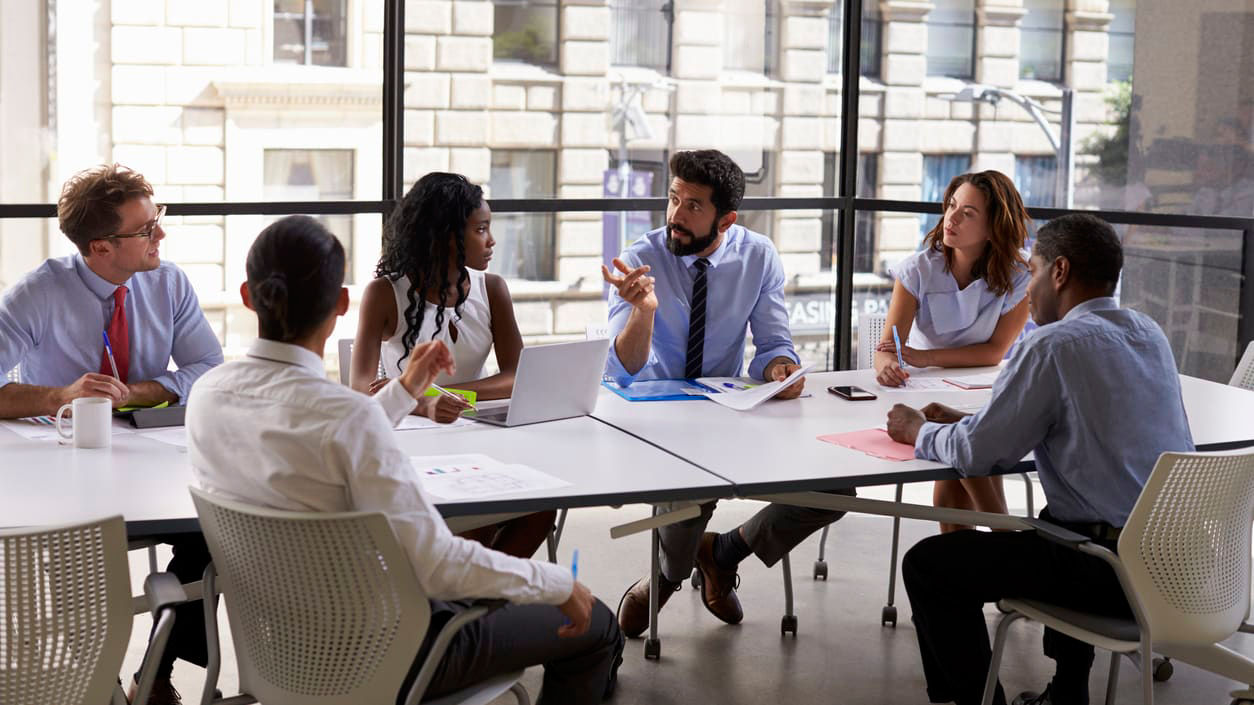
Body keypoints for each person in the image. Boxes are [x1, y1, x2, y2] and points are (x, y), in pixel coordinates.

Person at [187, 216, 624, 705]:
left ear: (248, 296)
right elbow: (437, 566)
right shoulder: (346, 418)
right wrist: (557, 582)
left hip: (278, 649)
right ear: (341, 304)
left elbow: (330, 429)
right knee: (598, 625)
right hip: (389, 653)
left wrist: (403, 392)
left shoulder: (208, 395)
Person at [885, 213, 1194, 705]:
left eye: (1033, 270)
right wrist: (974, 417)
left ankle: (977, 701)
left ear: (1060, 272)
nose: (1026, 288)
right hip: (1175, 561)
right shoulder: (1147, 332)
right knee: (1060, 522)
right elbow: (1084, 417)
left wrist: (919, 430)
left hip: (1108, 571)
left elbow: (975, 453)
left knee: (930, 565)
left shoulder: (1053, 343)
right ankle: (1067, 689)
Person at [602, 149, 851, 638]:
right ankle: (665, 581)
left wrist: (781, 368)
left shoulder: (757, 256)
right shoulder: (638, 259)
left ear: (727, 218)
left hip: (726, 407)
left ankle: (723, 551)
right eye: (673, 198)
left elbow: (774, 346)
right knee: (688, 492)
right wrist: (643, 311)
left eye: (693, 205)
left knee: (835, 491)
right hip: (655, 414)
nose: (676, 214)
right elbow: (623, 369)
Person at [0, 164, 224, 705]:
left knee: (212, 531)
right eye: (146, 229)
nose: (160, 236)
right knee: (78, 551)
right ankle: (98, 683)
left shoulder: (169, 282)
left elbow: (210, 371)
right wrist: (59, 396)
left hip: (152, 458)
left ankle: (156, 674)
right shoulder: (38, 292)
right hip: (66, 467)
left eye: (158, 220)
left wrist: (136, 391)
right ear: (100, 247)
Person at [351, 172, 555, 559]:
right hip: (412, 443)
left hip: (480, 438)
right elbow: (360, 391)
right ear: (446, 235)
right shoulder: (383, 294)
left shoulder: (492, 288)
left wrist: (447, 394)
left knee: (542, 508)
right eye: (480, 229)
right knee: (476, 519)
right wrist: (421, 402)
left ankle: (478, 606)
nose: (492, 241)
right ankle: (470, 606)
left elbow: (518, 376)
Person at [874, 170, 1032, 532]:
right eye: (951, 206)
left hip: (986, 387)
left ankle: (990, 548)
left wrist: (923, 357)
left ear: (994, 227)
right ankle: (1001, 540)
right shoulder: (918, 270)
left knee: (961, 451)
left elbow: (994, 352)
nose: (952, 218)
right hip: (930, 391)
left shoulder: (1020, 274)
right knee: (962, 456)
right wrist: (886, 365)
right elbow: (888, 349)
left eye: (968, 213)